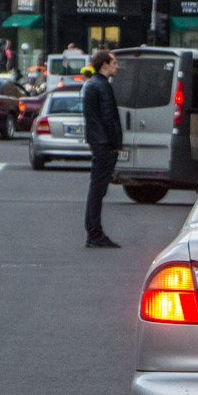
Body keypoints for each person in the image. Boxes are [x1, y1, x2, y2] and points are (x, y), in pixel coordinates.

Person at [82, 50, 122, 249]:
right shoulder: (103, 86)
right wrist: (115, 144)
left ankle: (93, 231)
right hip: (104, 143)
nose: (117, 66)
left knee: (96, 189)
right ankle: (95, 233)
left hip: (97, 141)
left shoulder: (91, 85)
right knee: (98, 190)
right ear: (104, 65)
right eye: (114, 63)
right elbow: (108, 117)